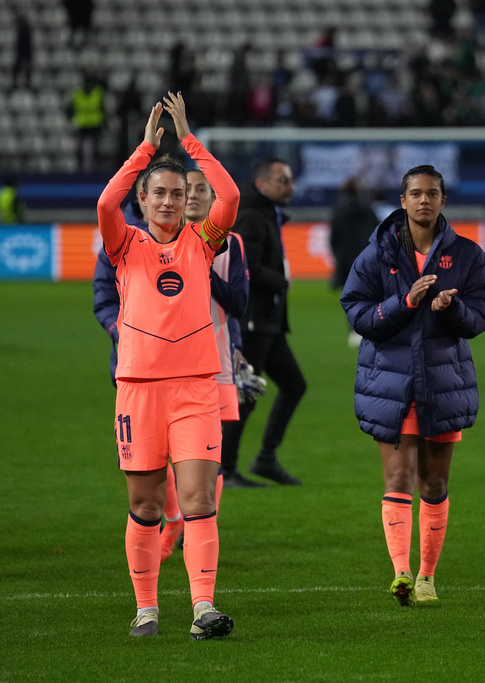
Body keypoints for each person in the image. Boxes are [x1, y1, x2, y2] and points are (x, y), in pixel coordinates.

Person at [97, 92, 239, 639]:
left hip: (196, 390)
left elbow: (229, 193)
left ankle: (204, 608)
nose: (169, 201)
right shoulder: (124, 243)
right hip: (138, 391)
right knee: (146, 504)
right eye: (159, 192)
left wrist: (187, 139)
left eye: (178, 194)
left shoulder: (203, 242)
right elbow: (107, 205)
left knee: (201, 498)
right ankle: (147, 610)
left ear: (187, 202)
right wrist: (146, 148)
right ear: (145, 198)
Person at [340, 165, 485, 606]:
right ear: (402, 200)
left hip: (443, 380)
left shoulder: (466, 256)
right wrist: (404, 303)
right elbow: (358, 315)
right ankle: (402, 572)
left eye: (432, 194)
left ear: (443, 201)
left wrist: (452, 308)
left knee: (434, 482)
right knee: (399, 476)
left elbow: (480, 317)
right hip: (389, 381)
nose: (424, 200)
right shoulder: (376, 253)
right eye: (415, 194)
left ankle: (428, 575)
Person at [221, 158, 306, 486]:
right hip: (253, 323)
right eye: (283, 180)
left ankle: (266, 458)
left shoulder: (266, 215)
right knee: (245, 396)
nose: (290, 186)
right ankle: (226, 470)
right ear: (262, 184)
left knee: (293, 385)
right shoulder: (253, 218)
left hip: (268, 324)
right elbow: (246, 268)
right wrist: (282, 279)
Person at [329, 178, 380, 346]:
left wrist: (338, 256)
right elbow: (378, 231)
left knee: (351, 296)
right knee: (370, 294)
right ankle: (371, 327)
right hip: (367, 257)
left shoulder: (339, 210)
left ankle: (354, 330)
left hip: (346, 260)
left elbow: (334, 237)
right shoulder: (368, 208)